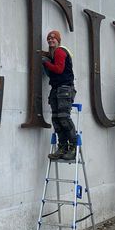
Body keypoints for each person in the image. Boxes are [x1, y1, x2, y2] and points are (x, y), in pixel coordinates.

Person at [40, 30, 77, 160]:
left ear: (58, 40)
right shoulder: (54, 53)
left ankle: (73, 148)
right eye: (49, 39)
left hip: (64, 89)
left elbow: (59, 69)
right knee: (56, 119)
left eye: (53, 38)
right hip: (57, 89)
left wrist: (45, 63)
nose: (50, 40)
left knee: (63, 118)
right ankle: (62, 148)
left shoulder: (60, 51)